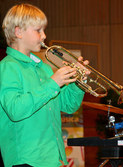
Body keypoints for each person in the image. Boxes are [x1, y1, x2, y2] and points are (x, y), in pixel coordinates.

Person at [0, 3, 89, 167]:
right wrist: (53, 83)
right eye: (38, 30)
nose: (44, 36)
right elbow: (15, 109)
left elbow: (68, 106)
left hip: (54, 159)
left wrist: (79, 82)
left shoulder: (44, 68)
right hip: (26, 160)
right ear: (18, 32)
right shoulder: (7, 67)